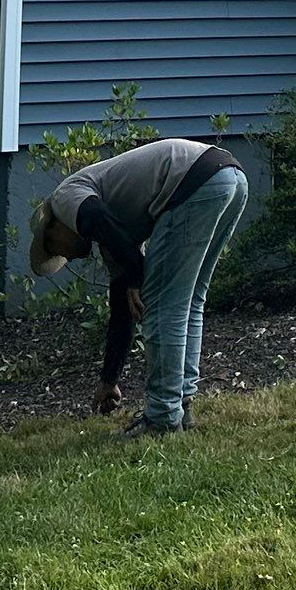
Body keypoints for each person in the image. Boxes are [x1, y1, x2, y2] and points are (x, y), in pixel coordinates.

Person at [28, 135, 251, 435]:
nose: (65, 255)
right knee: (189, 301)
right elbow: (121, 311)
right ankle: (181, 406)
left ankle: (162, 417)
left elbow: (98, 219)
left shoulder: (64, 197)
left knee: (162, 306)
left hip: (190, 182)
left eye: (54, 245)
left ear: (55, 224)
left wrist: (136, 274)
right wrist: (109, 380)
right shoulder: (114, 238)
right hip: (229, 176)